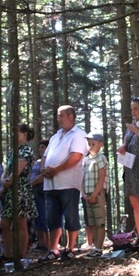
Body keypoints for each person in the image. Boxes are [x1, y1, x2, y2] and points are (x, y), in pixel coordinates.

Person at [39, 105, 87, 262]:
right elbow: (45, 156)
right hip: (50, 184)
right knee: (52, 217)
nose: (58, 119)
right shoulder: (55, 136)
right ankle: (54, 249)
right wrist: (43, 169)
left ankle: (70, 248)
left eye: (61, 116)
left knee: (70, 216)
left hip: (68, 183)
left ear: (71, 116)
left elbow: (76, 156)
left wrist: (56, 170)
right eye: (58, 116)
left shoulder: (79, 135)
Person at [0, 124, 38, 261]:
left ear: (25, 134)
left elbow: (17, 171)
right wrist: (3, 181)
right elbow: (6, 171)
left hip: (20, 189)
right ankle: (7, 254)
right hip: (9, 191)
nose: (14, 135)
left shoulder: (27, 150)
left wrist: (5, 184)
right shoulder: (13, 151)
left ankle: (21, 256)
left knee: (21, 223)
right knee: (4, 224)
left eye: (18, 132)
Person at [117, 97, 139, 248]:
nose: (133, 111)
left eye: (136, 108)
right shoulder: (132, 126)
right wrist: (122, 147)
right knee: (135, 203)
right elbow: (126, 142)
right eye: (132, 109)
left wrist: (137, 131)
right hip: (131, 169)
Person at [81, 133, 109, 257]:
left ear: (100, 145)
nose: (90, 146)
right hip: (87, 195)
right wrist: (84, 194)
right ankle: (94, 247)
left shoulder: (101, 158)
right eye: (89, 144)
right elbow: (82, 178)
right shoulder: (85, 160)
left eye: (93, 144)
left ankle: (98, 248)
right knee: (92, 221)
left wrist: (94, 195)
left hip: (98, 194)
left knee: (99, 221)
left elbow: (101, 178)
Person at [29, 139, 50, 252]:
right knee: (37, 218)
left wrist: (30, 184)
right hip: (35, 193)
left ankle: (48, 243)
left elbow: (43, 175)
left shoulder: (48, 160)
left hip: (44, 192)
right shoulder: (37, 162)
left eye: (43, 147)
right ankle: (41, 242)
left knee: (44, 217)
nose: (41, 149)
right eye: (40, 147)